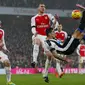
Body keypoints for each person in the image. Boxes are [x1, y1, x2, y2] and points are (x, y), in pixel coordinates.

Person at [31, 3, 58, 67]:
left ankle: (54, 67)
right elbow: (33, 27)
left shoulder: (48, 15)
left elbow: (55, 23)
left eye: (44, 7)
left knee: (49, 54)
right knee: (36, 41)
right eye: (41, 6)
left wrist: (55, 23)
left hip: (46, 37)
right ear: (38, 8)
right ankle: (34, 61)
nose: (43, 8)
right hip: (38, 35)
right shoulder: (34, 18)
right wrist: (34, 32)